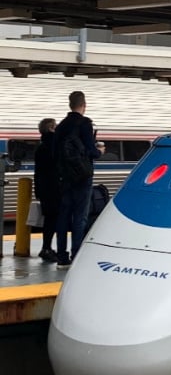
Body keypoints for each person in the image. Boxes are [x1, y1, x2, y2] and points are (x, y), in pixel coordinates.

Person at [54, 91, 101, 270]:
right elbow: (90, 149)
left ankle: (61, 257)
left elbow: (54, 153)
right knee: (80, 216)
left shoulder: (61, 126)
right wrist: (99, 152)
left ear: (69, 104)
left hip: (64, 177)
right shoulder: (85, 123)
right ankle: (76, 255)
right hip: (82, 176)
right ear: (84, 104)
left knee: (63, 216)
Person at [33, 117, 59, 262]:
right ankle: (47, 248)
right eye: (55, 126)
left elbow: (38, 172)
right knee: (54, 219)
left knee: (49, 219)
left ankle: (46, 247)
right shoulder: (54, 145)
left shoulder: (41, 146)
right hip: (54, 187)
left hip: (44, 188)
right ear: (51, 128)